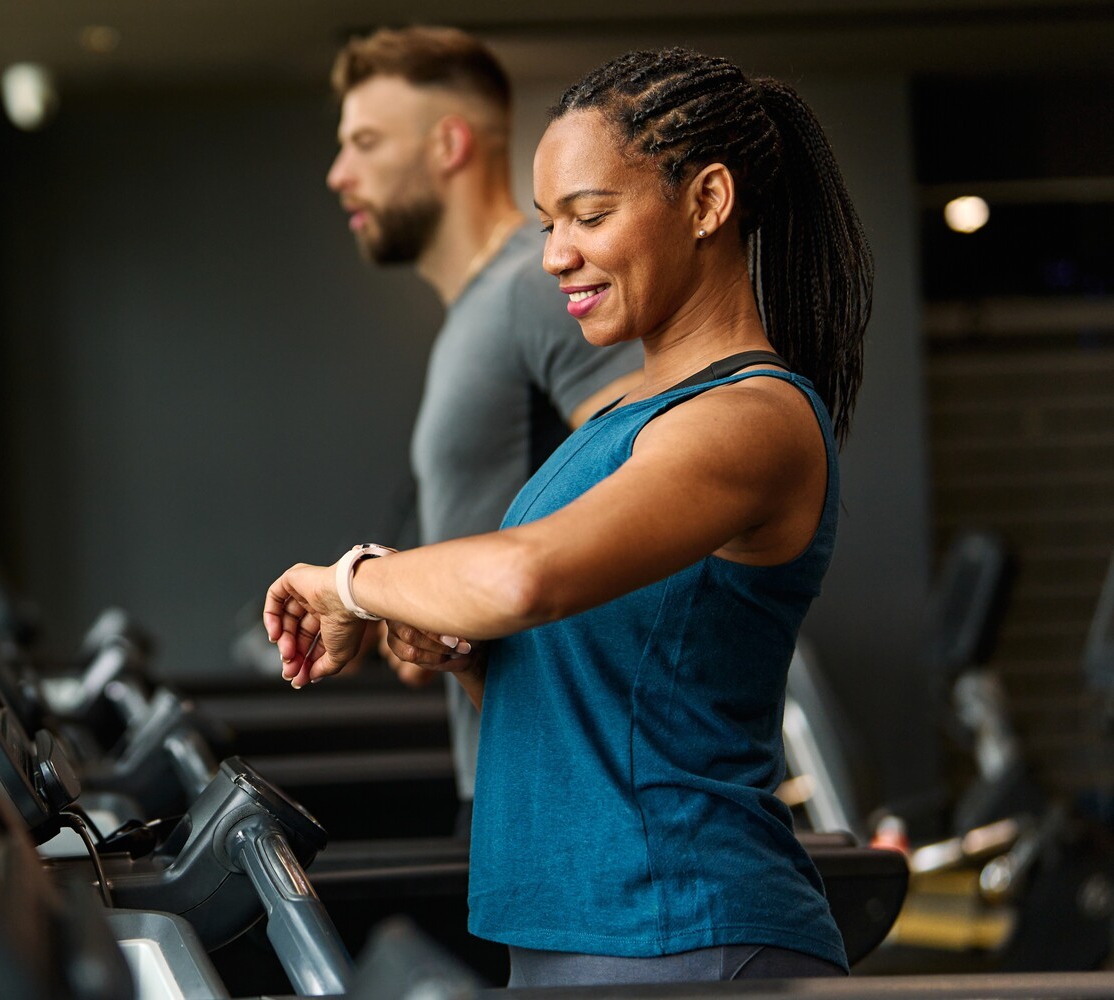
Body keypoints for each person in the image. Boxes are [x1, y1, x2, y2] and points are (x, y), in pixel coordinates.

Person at [269, 45, 873, 987]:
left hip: (683, 925)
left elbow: (522, 577)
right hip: (569, 930)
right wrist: (462, 652)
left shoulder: (753, 419)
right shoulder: (627, 420)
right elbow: (571, 681)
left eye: (590, 216)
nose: (555, 254)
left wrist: (347, 582)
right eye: (550, 221)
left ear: (708, 202)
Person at [323, 26, 640, 819]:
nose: (338, 174)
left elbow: (642, 483)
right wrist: (434, 617)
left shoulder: (534, 289)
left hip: (576, 774)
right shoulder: (481, 306)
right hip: (510, 758)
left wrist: (373, 588)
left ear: (448, 144)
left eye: (364, 143)